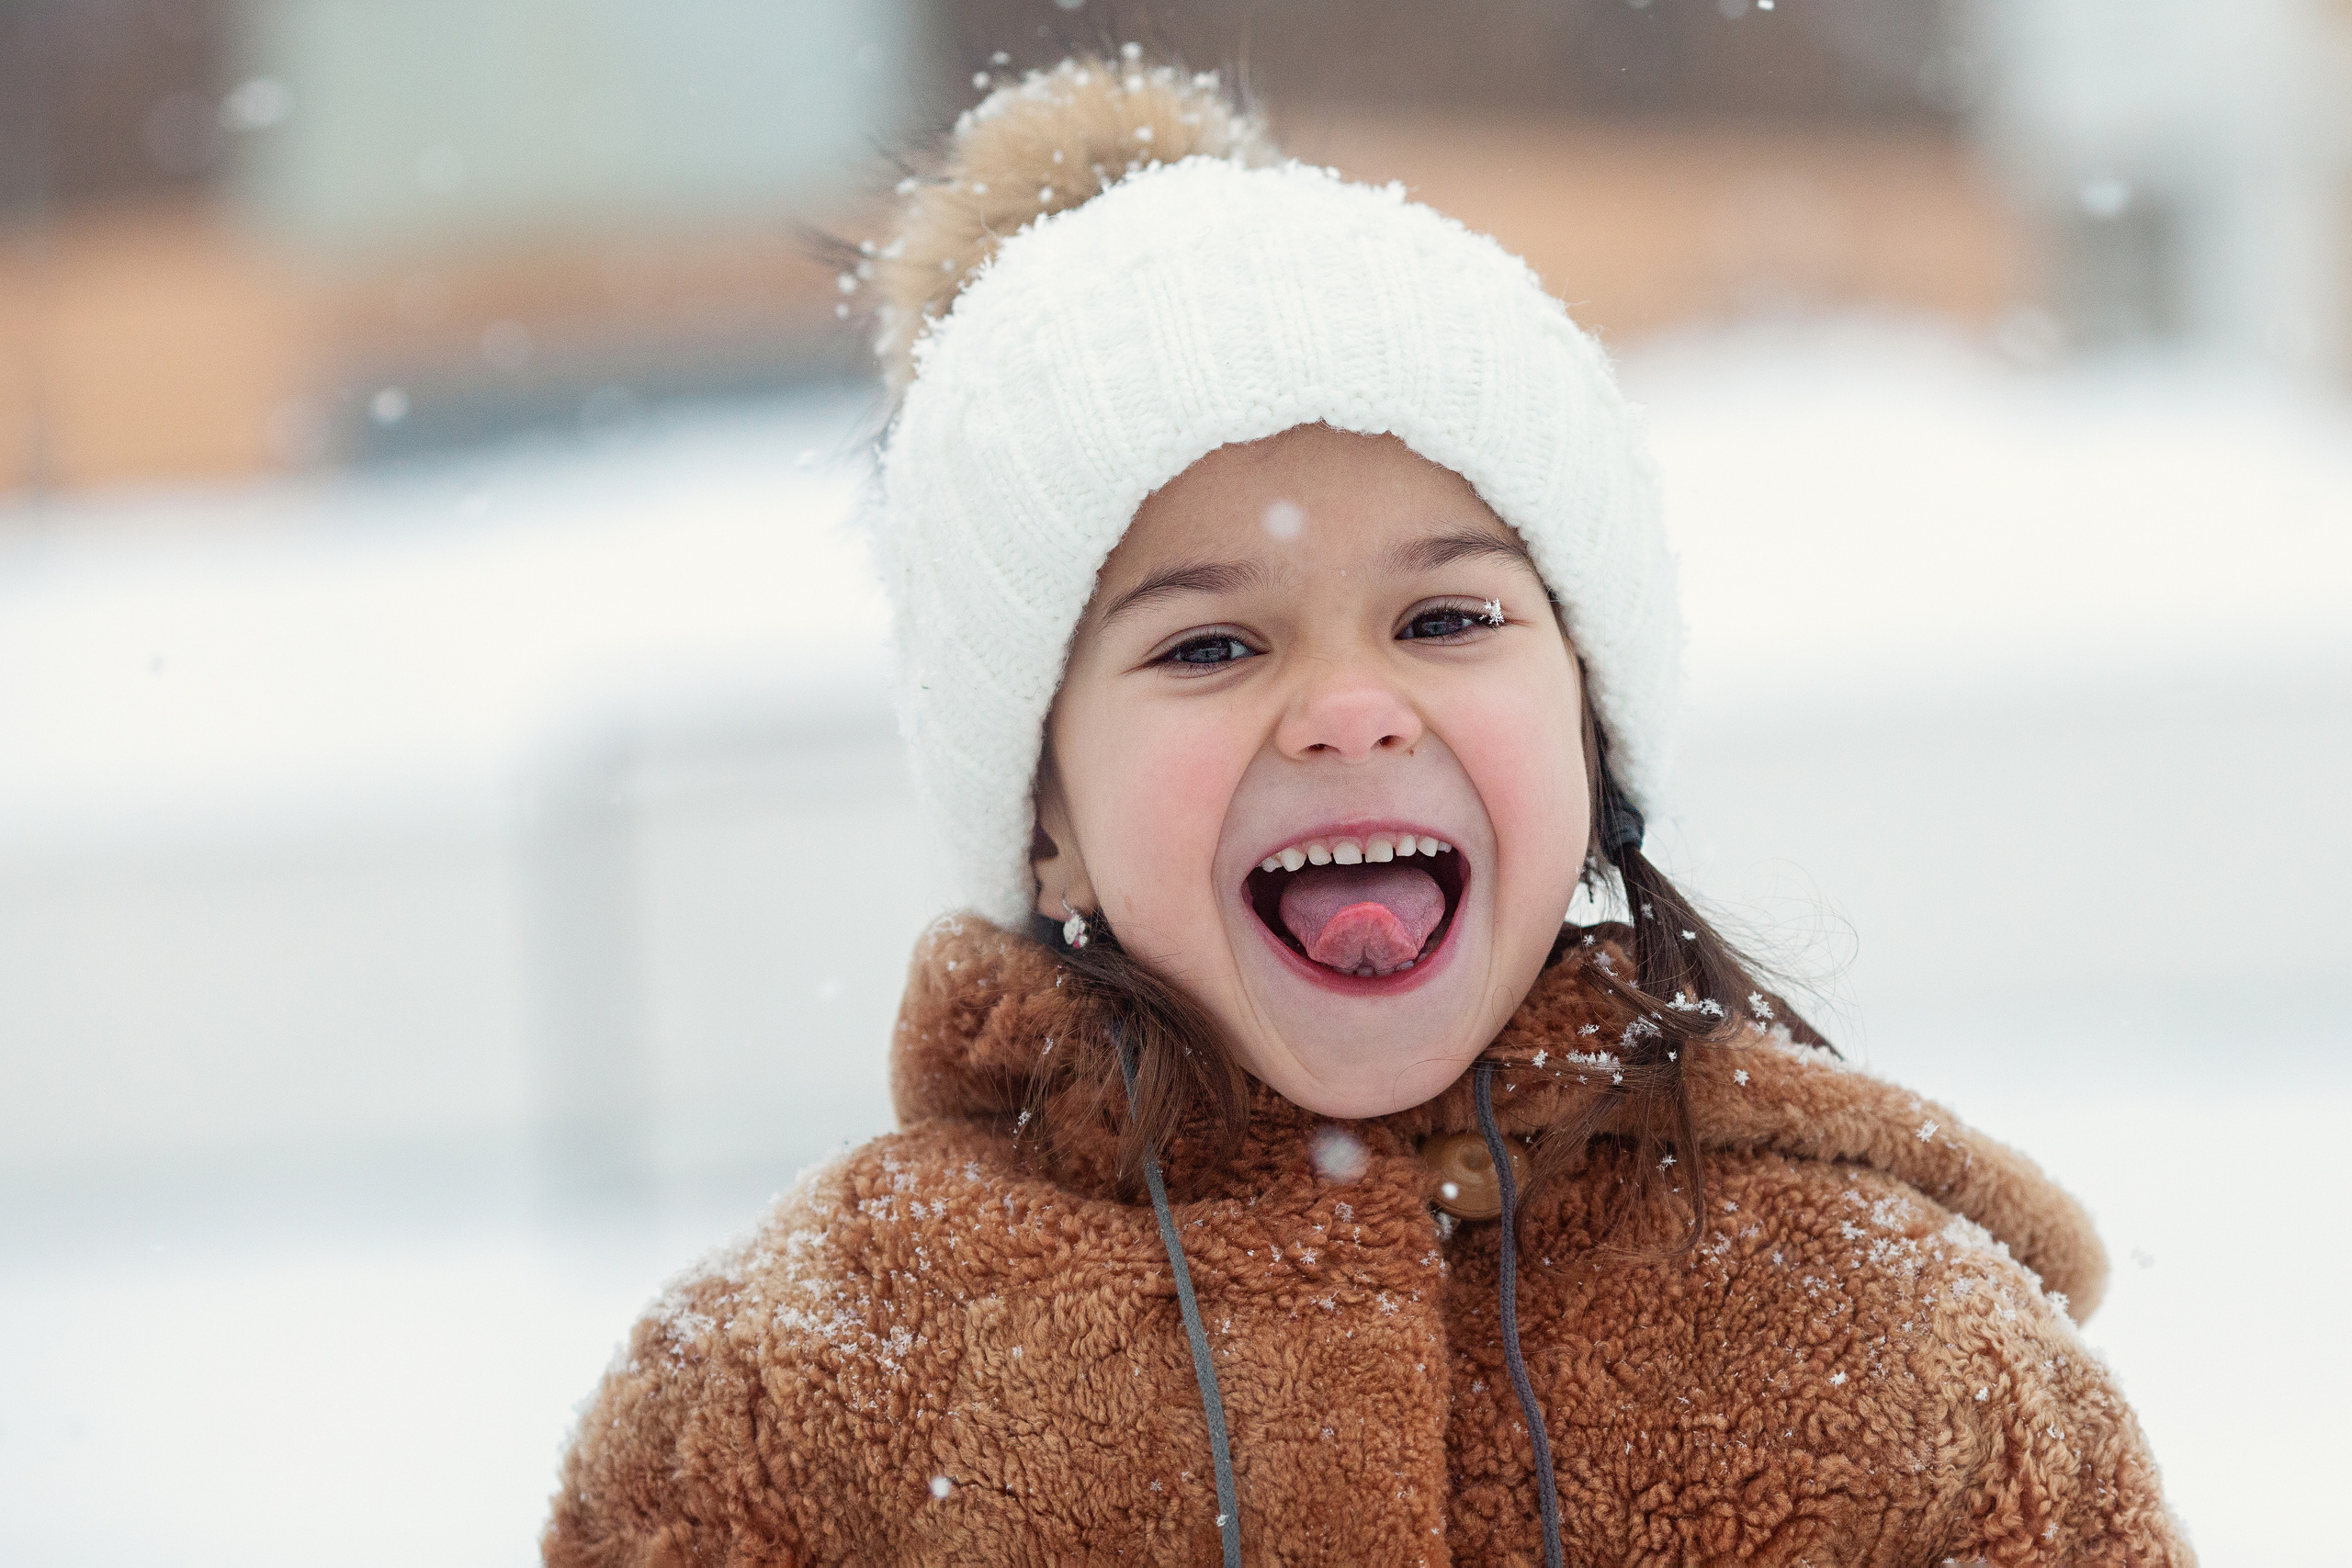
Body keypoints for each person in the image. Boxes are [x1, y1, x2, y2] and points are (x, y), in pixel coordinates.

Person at [544, 55, 2188, 1566]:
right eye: (1207, 643)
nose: (1345, 711)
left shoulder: (1890, 1348)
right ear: (1042, 812)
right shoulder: (808, 1388)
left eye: (1447, 620)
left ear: (1594, 729)